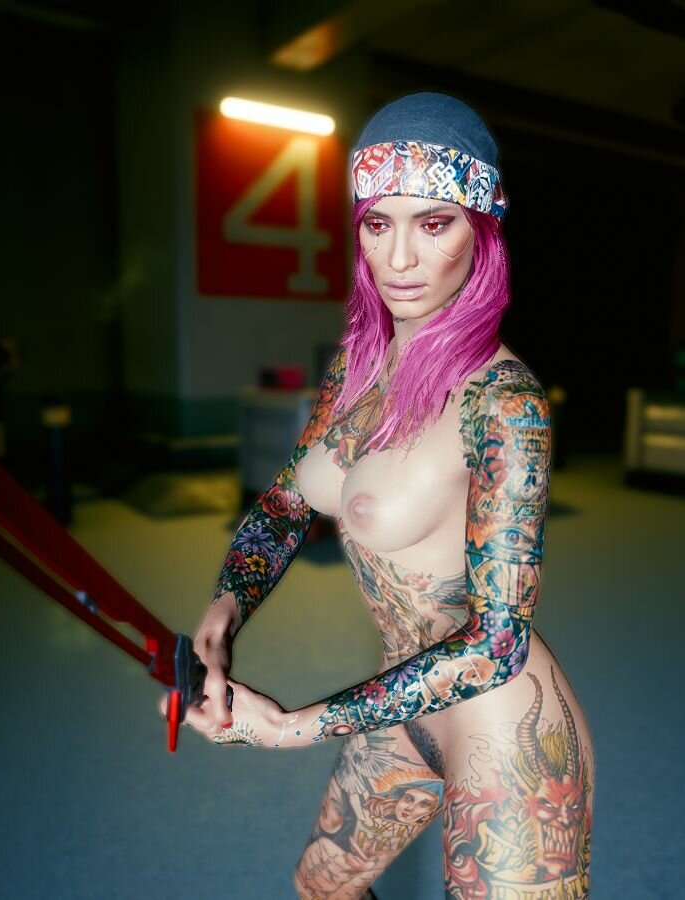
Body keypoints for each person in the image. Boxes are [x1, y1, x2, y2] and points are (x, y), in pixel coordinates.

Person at [180, 92, 594, 899]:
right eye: (378, 223)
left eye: (433, 223)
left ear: (482, 231)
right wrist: (225, 612)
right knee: (324, 887)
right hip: (399, 703)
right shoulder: (357, 365)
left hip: (503, 729)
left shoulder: (504, 403)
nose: (399, 258)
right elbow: (287, 504)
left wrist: (295, 725)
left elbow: (496, 643)